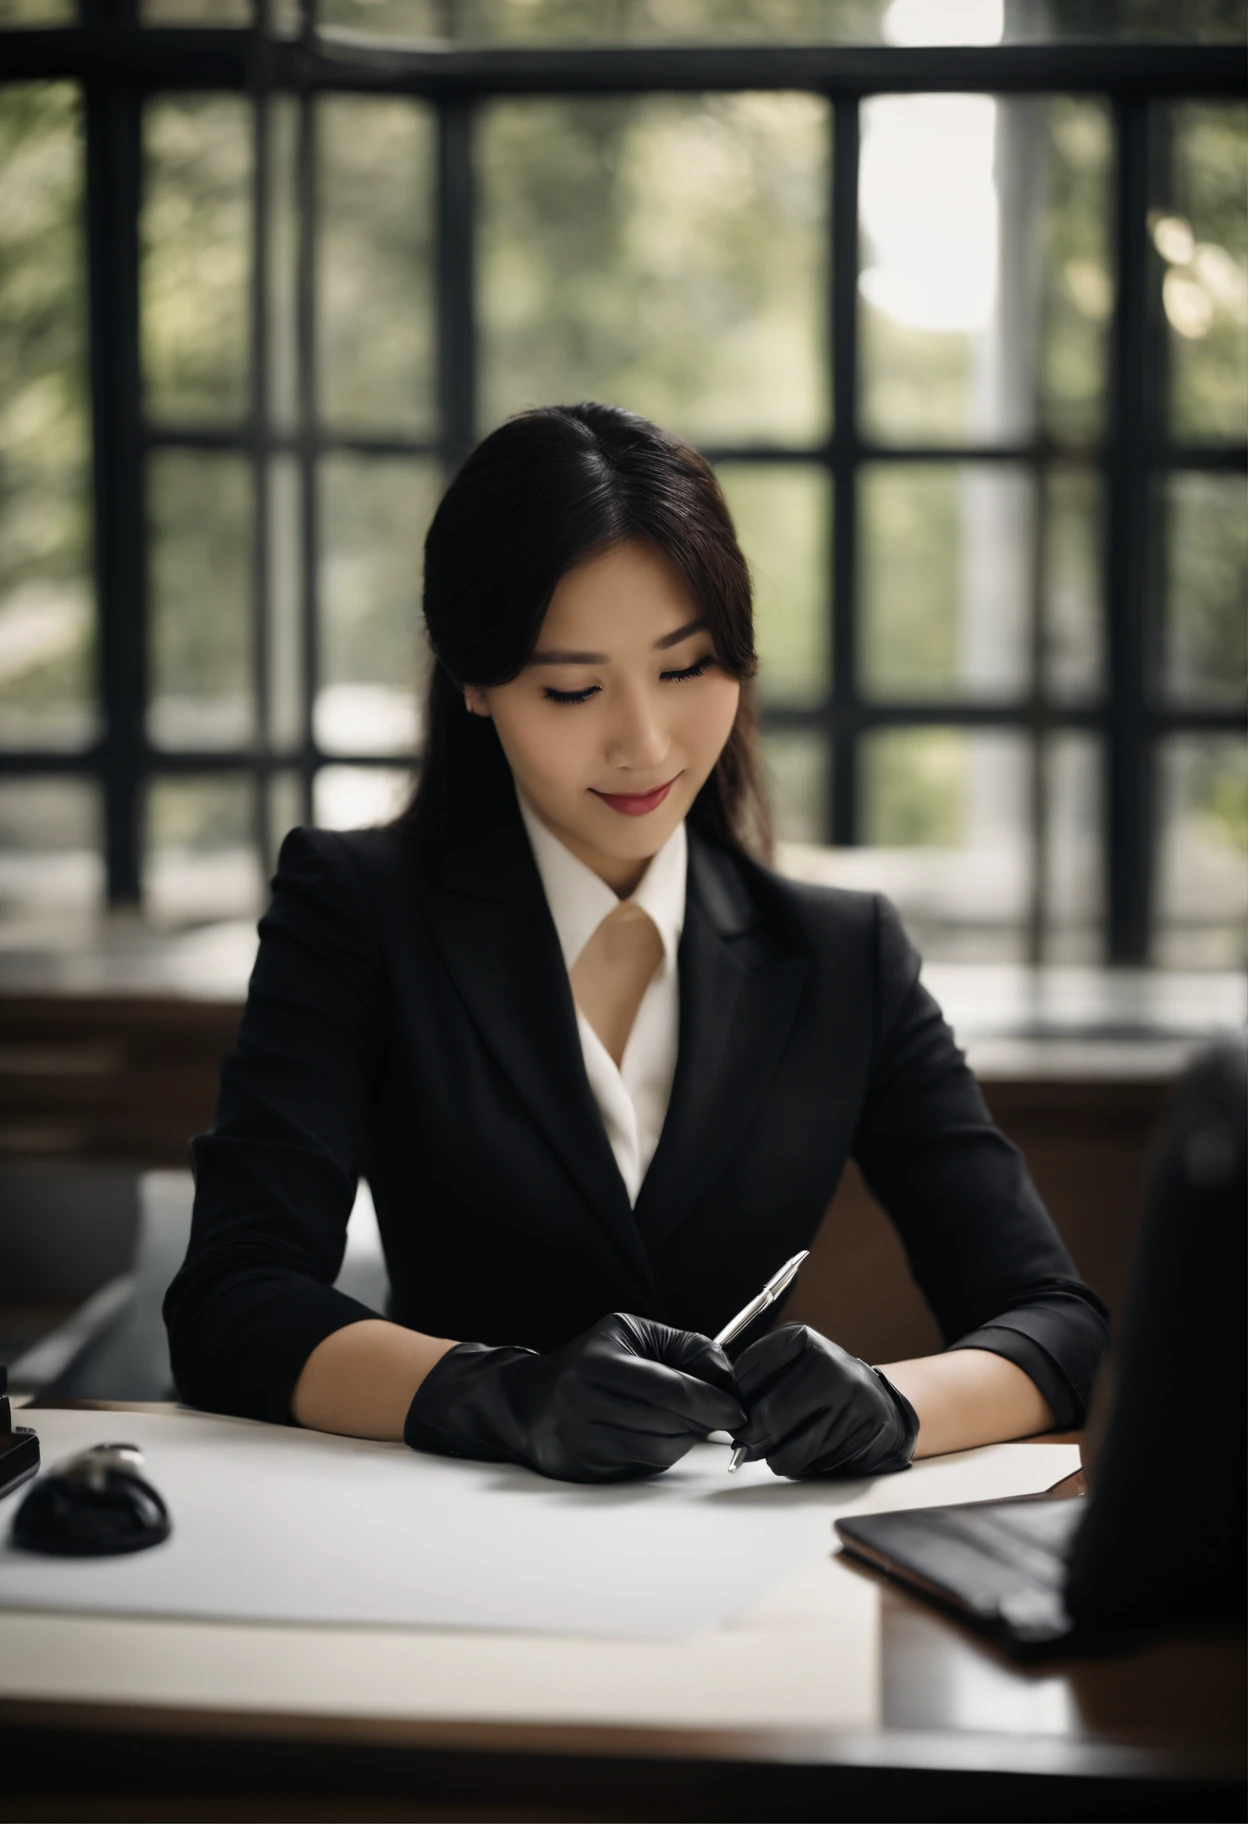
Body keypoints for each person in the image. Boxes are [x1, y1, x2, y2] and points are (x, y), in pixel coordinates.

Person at [164, 403, 1107, 1486]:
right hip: (443, 1552)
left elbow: (1052, 1318)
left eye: (688, 668)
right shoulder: (357, 909)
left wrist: (894, 1407)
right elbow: (234, 1301)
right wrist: (503, 1396)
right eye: (572, 689)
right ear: (476, 681)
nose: (645, 744)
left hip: (740, 1587)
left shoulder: (845, 956)